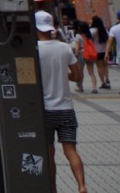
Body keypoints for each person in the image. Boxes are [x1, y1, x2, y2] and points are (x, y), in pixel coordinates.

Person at [32, 12, 87, 193]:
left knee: (49, 154)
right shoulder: (64, 48)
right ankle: (81, 185)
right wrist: (64, 75)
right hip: (66, 108)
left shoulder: (34, 50)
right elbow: (78, 75)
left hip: (45, 110)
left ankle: (53, 188)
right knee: (70, 150)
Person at [86, 16, 111, 91]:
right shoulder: (104, 30)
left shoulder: (92, 30)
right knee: (105, 66)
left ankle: (102, 82)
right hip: (105, 50)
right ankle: (107, 79)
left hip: (96, 51)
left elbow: (89, 40)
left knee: (99, 67)